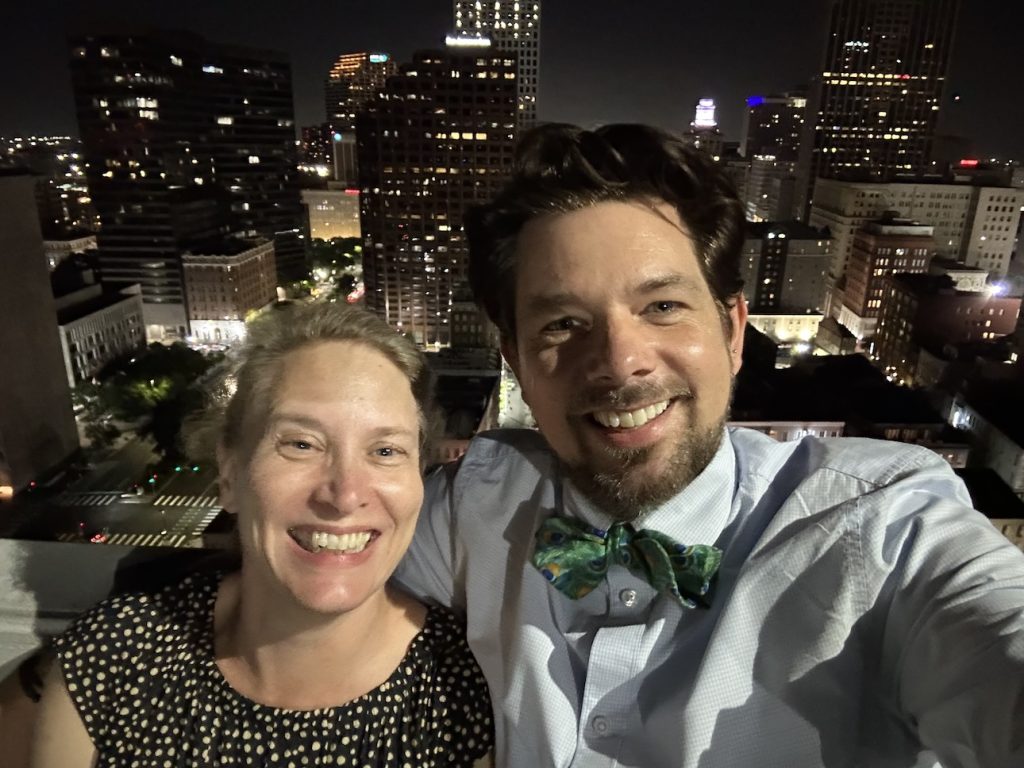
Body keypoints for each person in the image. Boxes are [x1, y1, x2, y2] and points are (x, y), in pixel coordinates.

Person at [396, 123, 1024, 767]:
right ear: (519, 363)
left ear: (732, 331)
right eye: (563, 323)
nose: (619, 362)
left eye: (662, 306)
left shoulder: (884, 526)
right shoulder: (470, 506)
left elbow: (994, 637)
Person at [10, 303, 493, 767]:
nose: (345, 495)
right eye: (301, 444)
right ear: (229, 474)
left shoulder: (465, 685)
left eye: (386, 451)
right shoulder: (117, 660)